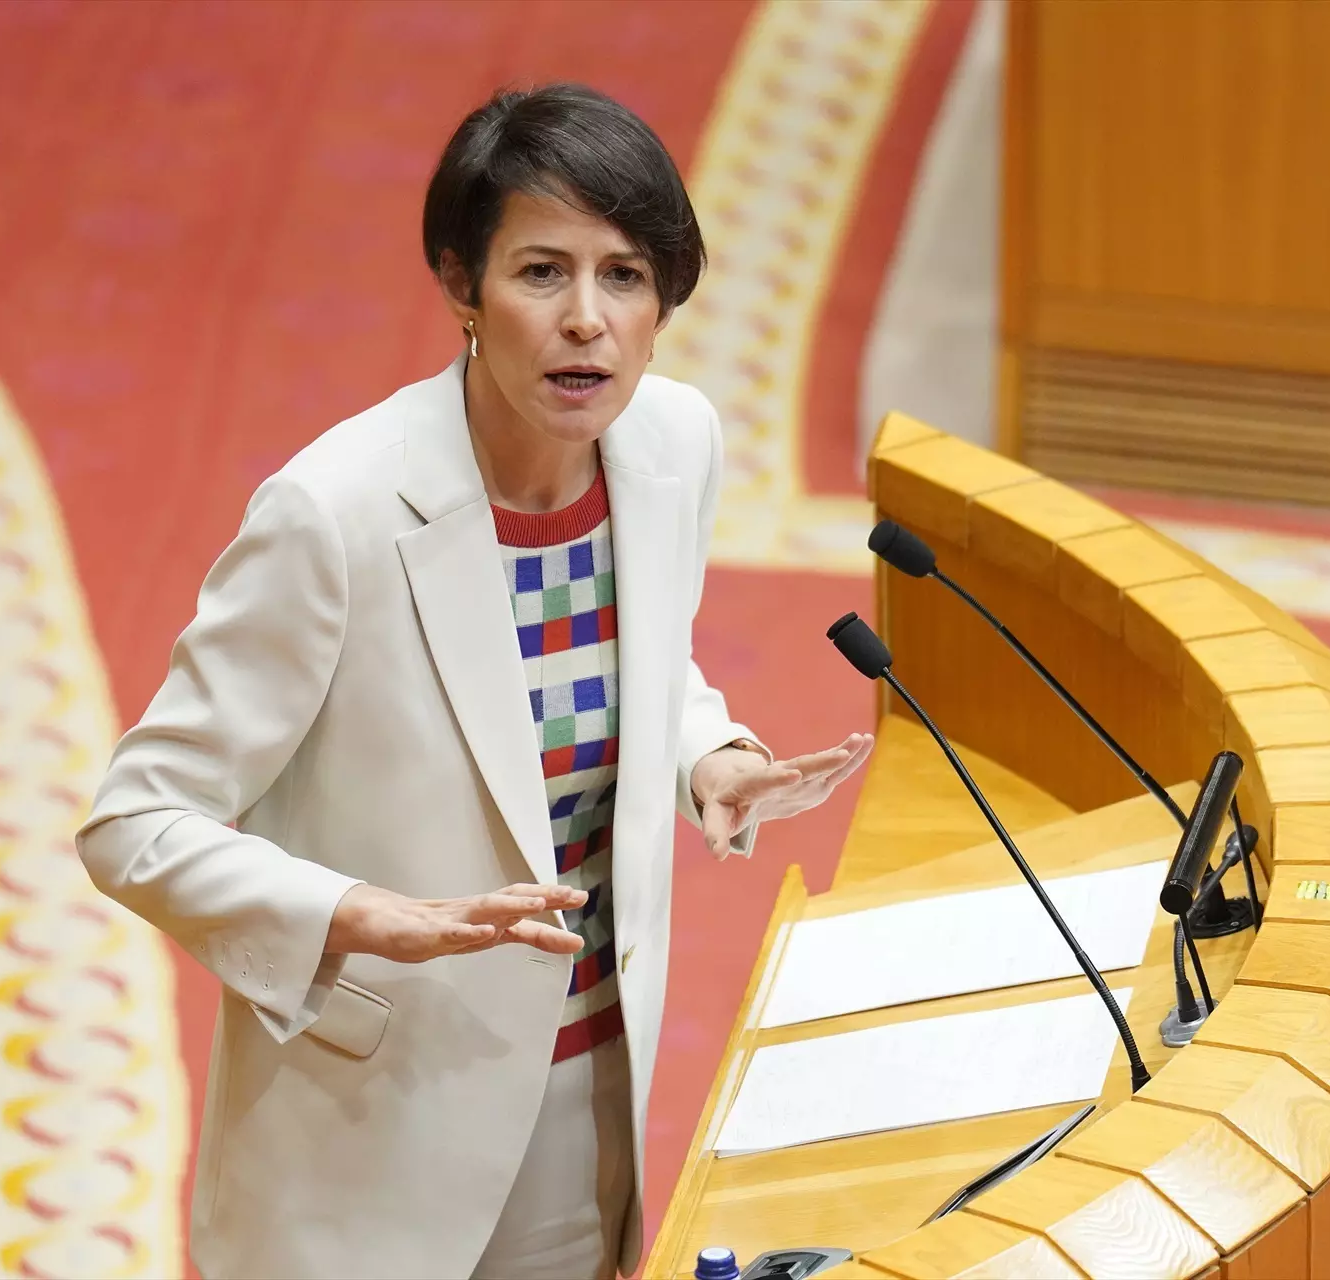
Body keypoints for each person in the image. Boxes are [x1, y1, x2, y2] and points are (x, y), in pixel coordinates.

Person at [77, 82, 872, 1280]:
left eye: (625, 277)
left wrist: (707, 750)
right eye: (541, 272)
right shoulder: (333, 515)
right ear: (461, 285)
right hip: (374, 1134)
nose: (588, 321)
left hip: (589, 1087)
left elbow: (639, 658)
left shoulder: (671, 445)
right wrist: (357, 911)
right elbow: (133, 822)